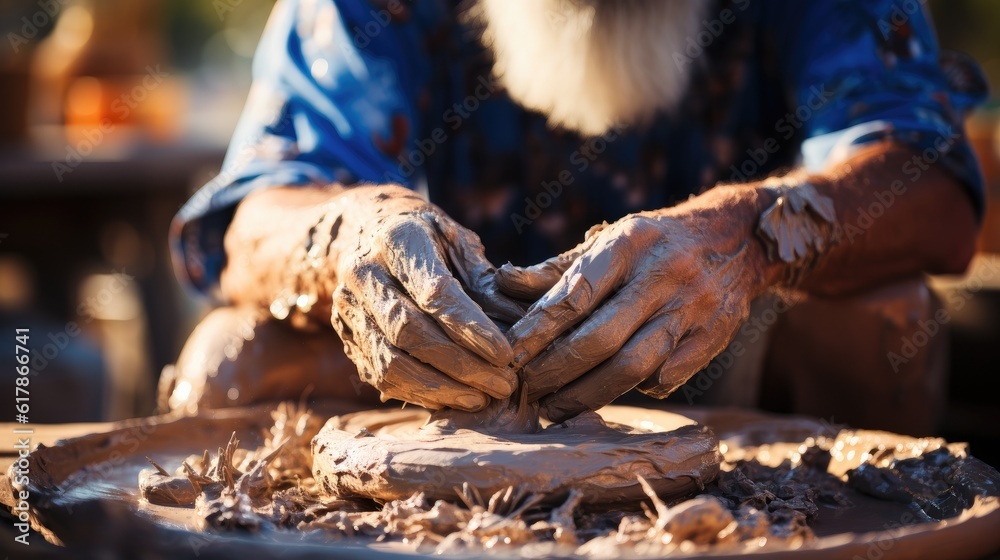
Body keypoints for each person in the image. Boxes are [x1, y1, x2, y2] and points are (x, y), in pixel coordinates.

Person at [162, 0, 987, 434]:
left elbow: (934, 183)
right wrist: (352, 240)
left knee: (885, 319)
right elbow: (251, 218)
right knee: (235, 361)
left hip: (722, 353)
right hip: (437, 387)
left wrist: (745, 240)